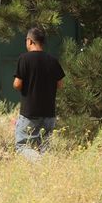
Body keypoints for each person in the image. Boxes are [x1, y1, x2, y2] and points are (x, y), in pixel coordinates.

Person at [13, 27, 65, 160]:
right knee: (45, 147)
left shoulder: (24, 59)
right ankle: (46, 168)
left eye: (26, 40)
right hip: (49, 113)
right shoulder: (52, 60)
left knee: (21, 146)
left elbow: (17, 84)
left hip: (30, 113)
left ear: (30, 41)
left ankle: (39, 161)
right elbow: (60, 84)